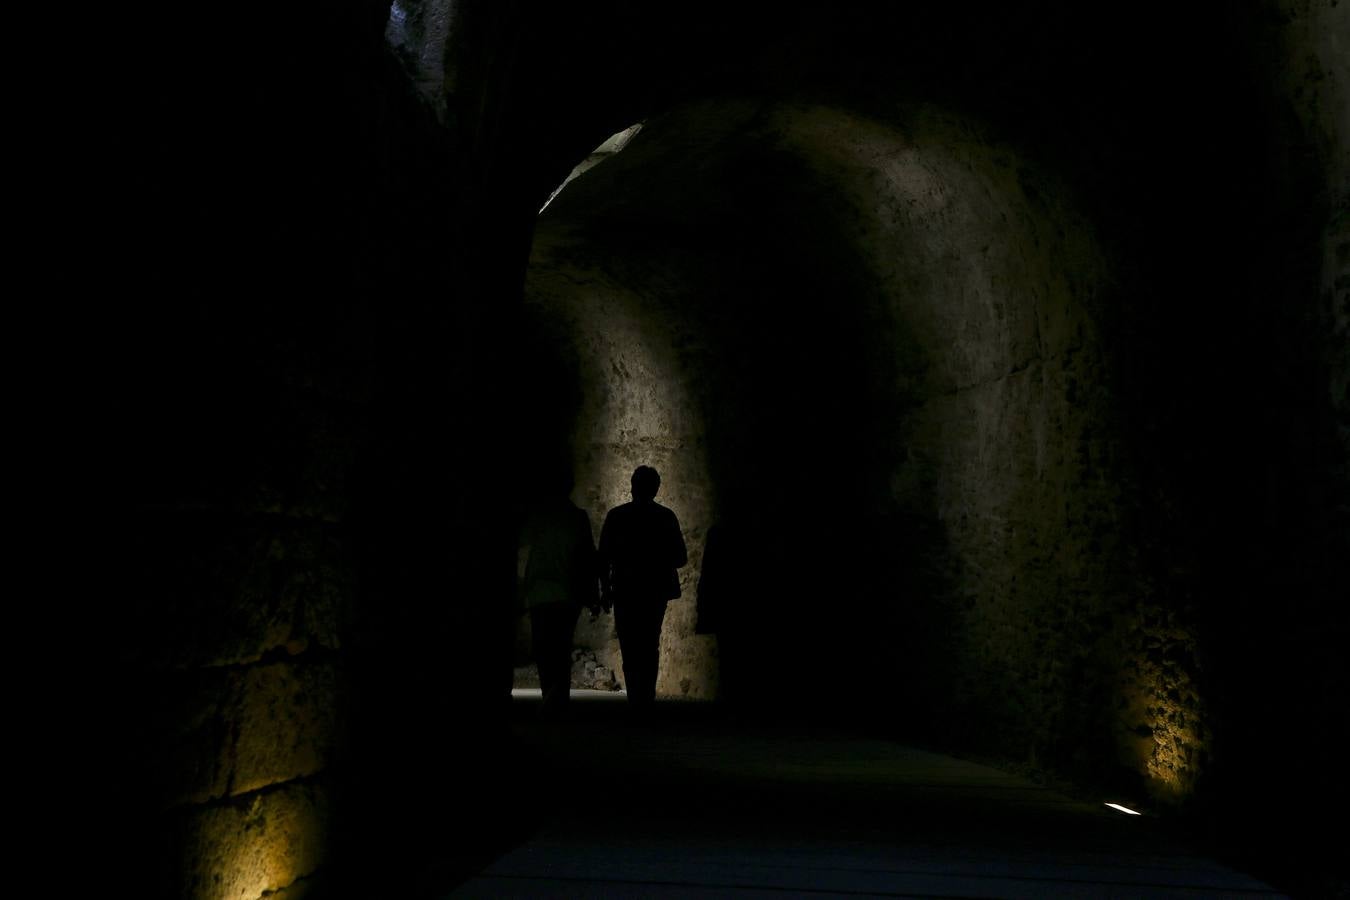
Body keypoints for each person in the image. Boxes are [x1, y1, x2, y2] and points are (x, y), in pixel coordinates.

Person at [598, 465, 687, 711]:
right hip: (654, 591)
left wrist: (605, 589)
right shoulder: (665, 517)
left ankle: (635, 698)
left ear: (632, 486)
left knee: (630, 645)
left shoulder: (617, 516)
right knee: (649, 644)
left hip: (625, 589)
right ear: (656, 489)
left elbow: (603, 557)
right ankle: (645, 698)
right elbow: (681, 558)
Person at [520, 484, 600, 715]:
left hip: (541, 591)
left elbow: (523, 542)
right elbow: (588, 556)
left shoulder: (538, 516)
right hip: (567, 592)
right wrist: (592, 594)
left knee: (544, 647)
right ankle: (559, 698)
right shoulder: (577, 517)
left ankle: (551, 695)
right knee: (561, 645)